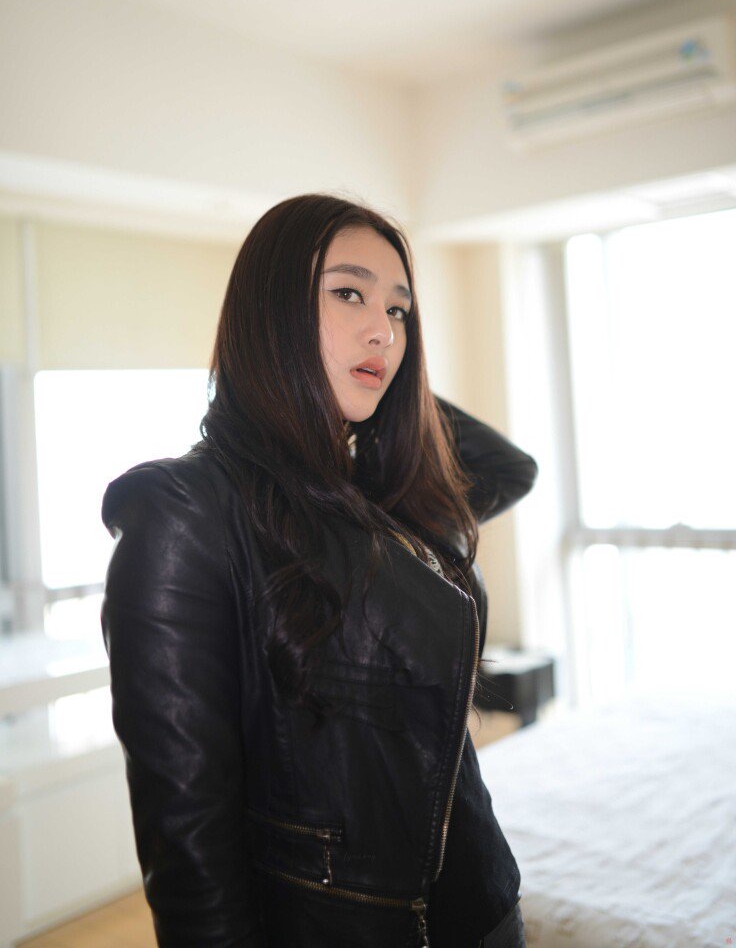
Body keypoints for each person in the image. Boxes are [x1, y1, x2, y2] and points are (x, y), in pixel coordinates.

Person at [100, 193, 538, 948]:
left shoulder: (377, 490)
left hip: (487, 906)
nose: (385, 330)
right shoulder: (189, 510)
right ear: (270, 314)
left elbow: (509, 468)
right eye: (348, 293)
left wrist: (384, 379)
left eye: (399, 311)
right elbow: (188, 835)